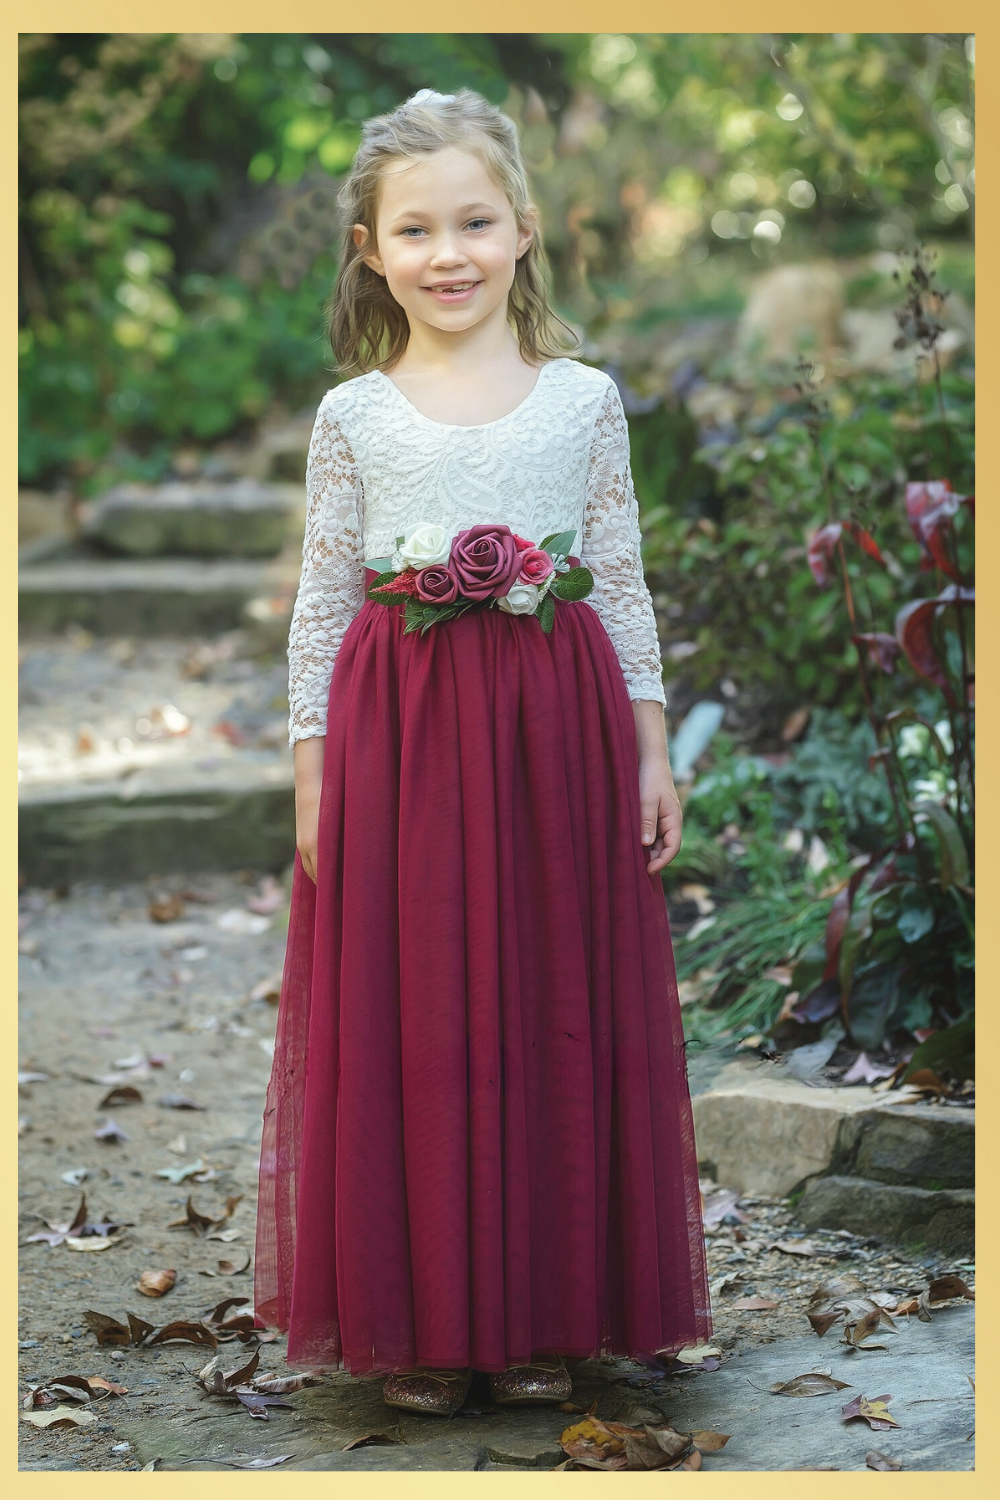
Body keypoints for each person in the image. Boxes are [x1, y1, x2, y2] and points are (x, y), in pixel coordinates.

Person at [254, 85, 711, 1419]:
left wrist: (649, 749)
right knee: (424, 1008)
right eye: (414, 229)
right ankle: (430, 1324)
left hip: (557, 734)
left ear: (523, 230)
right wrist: (313, 769)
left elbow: (618, 579)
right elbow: (324, 598)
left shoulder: (581, 399)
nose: (446, 252)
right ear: (369, 250)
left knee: (553, 994)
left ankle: (552, 1311)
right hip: (401, 741)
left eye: (473, 221)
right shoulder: (358, 415)